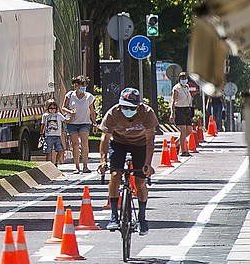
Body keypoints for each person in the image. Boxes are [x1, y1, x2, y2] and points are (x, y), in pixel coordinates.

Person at [98, 87, 159, 235]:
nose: (127, 110)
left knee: (140, 182)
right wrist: (103, 161)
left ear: (138, 106)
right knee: (114, 176)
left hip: (141, 145)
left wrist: (147, 165)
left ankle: (142, 218)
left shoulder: (147, 113)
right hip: (118, 143)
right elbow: (105, 139)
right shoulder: (113, 113)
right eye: (124, 106)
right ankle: (114, 216)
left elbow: (150, 142)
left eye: (131, 108)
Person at [63, 76, 97, 172]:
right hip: (72, 123)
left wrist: (94, 122)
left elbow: (92, 111)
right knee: (75, 144)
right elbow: (63, 107)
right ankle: (77, 167)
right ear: (76, 85)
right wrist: (70, 112)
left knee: (84, 143)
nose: (83, 88)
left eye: (85, 86)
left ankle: (85, 166)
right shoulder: (69, 95)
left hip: (85, 123)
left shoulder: (89, 97)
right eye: (81, 86)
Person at [170, 72, 194, 156]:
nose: (184, 80)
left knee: (189, 130)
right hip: (179, 109)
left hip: (187, 109)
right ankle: (183, 151)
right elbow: (173, 101)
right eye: (182, 78)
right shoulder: (176, 88)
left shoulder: (187, 87)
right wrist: (172, 113)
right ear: (179, 79)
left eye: (185, 78)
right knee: (183, 130)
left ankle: (175, 144)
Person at [41, 99, 68, 170]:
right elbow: (43, 124)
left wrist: (72, 115)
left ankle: (56, 163)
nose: (52, 110)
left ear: (56, 108)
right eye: (50, 108)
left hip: (57, 136)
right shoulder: (45, 116)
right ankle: (48, 165)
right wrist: (41, 134)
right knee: (48, 151)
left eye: (54, 108)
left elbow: (65, 120)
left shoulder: (58, 115)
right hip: (48, 136)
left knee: (60, 150)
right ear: (47, 108)